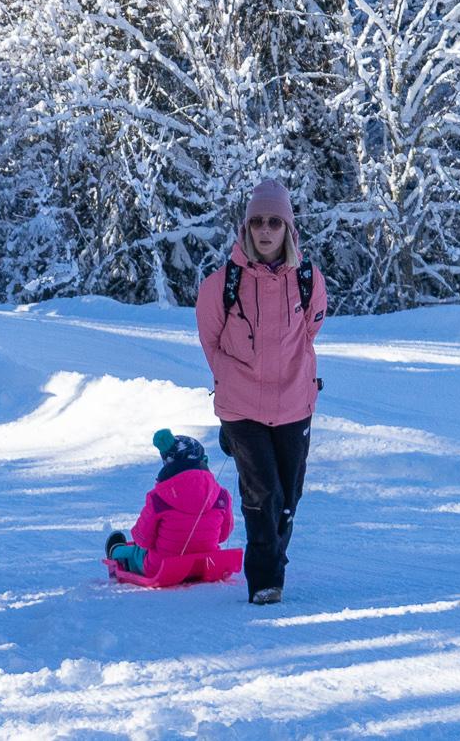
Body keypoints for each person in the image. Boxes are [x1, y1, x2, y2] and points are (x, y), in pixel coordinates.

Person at [195, 179, 326, 605]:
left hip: (294, 404)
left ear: (287, 228)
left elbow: (309, 333)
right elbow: (210, 340)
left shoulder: (309, 280)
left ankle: (274, 560)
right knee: (262, 491)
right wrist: (232, 383)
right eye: (257, 222)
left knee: (289, 495)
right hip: (241, 408)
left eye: (274, 222)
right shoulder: (221, 285)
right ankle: (265, 580)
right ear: (246, 228)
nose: (265, 230)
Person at [105, 430, 235, 577]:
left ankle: (115, 552)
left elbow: (143, 540)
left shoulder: (158, 498)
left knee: (135, 552)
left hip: (162, 567)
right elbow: (223, 535)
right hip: (206, 563)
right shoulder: (221, 495)